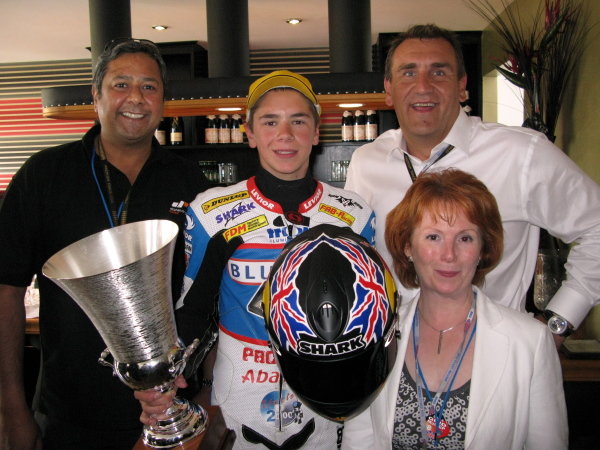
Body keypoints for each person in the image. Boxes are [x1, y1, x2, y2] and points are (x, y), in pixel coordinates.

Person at [135, 70, 376, 449]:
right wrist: (161, 378)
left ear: (316, 132)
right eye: (270, 121)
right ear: (249, 134)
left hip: (327, 393)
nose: (285, 134)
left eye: (299, 121)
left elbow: (371, 318)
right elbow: (192, 310)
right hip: (240, 388)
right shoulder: (211, 212)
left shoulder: (355, 214)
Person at [0, 38, 209, 449]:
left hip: (172, 409)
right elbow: (5, 291)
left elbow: (208, 295)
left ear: (164, 101)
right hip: (69, 415)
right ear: (96, 95)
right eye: (120, 84)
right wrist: (11, 412)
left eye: (149, 87)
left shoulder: (191, 184)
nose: (136, 98)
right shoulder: (44, 176)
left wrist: (206, 391)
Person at [344, 24, 600, 343]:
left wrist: (559, 320)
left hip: (496, 360)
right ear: (389, 89)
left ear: (462, 86)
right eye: (408, 73)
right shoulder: (367, 162)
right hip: (394, 360)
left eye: (439, 73)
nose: (423, 87)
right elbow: (355, 258)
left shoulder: (521, 154)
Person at [343, 168, 567, 449]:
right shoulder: (375, 335)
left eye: (465, 238)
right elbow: (360, 441)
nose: (449, 254)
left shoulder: (530, 343)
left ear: (484, 248)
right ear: (408, 246)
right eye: (433, 237)